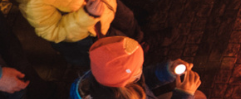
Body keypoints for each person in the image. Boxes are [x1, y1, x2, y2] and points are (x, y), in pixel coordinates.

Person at [70, 37, 202, 99]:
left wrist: (168, 70)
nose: (141, 69)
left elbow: (145, 79)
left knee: (198, 96)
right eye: (138, 67)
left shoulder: (105, 76)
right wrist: (183, 95)